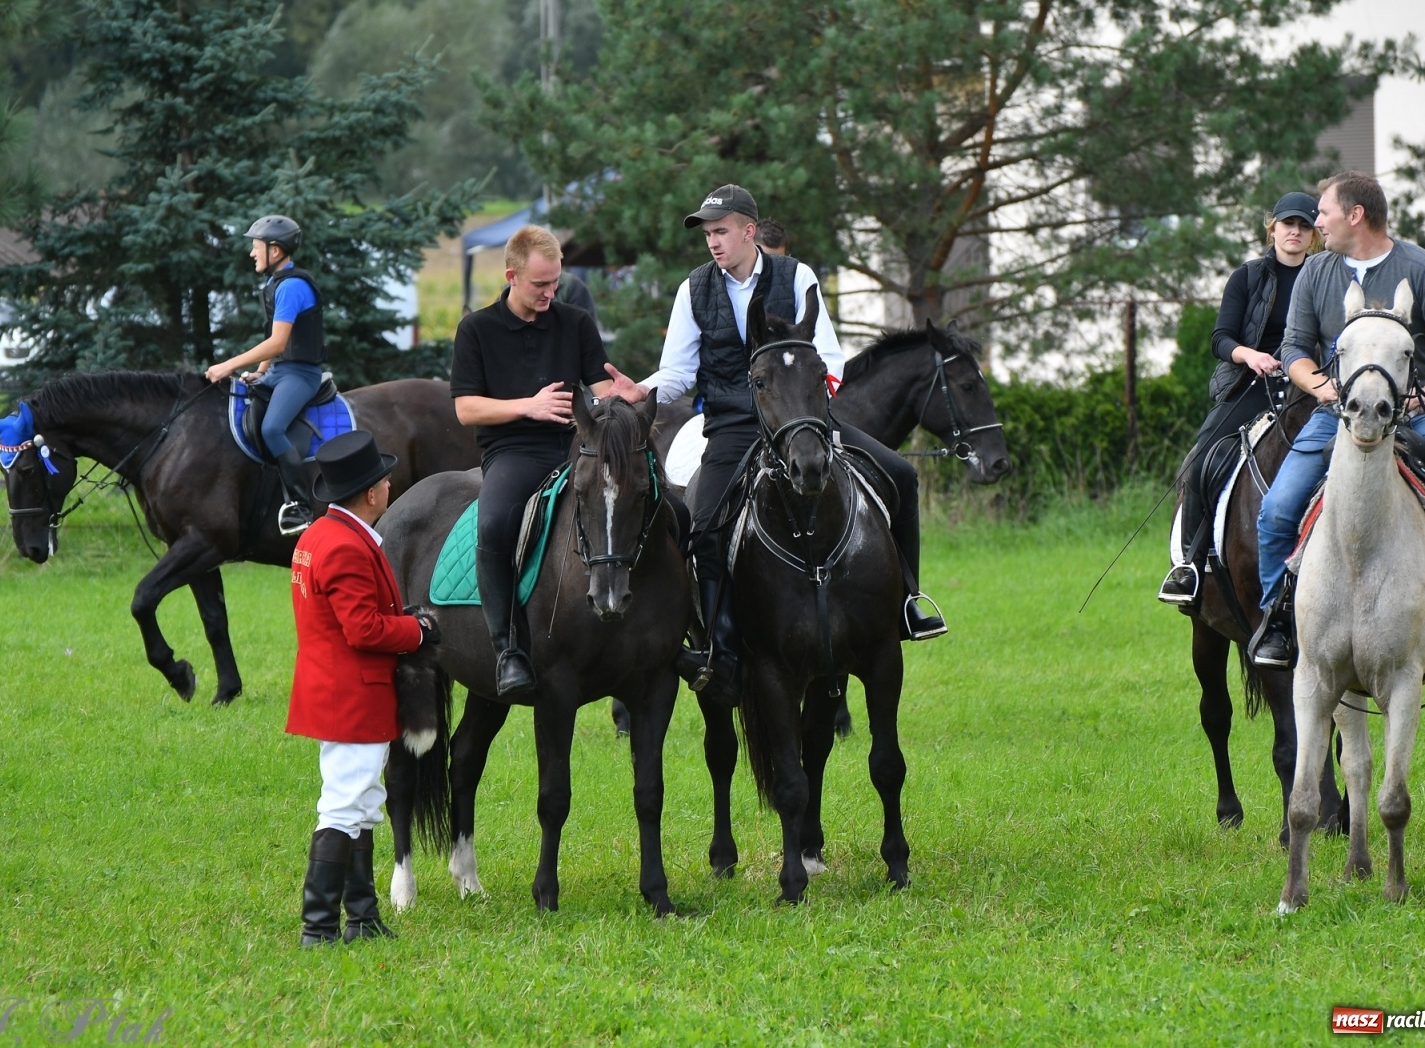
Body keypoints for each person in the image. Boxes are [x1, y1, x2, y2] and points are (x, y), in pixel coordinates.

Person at [616, 184, 946, 709]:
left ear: (749, 231)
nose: (713, 243)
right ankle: (718, 649)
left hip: (802, 422)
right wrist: (644, 389)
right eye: (707, 234)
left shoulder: (799, 277)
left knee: (901, 477)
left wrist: (810, 413)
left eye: (721, 231)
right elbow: (679, 370)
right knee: (703, 528)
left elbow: (830, 357)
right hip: (730, 426)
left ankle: (906, 604)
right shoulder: (693, 290)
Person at [1249, 170, 1425, 668]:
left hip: (1417, 416)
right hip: (1334, 415)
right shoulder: (1317, 272)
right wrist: (1325, 388)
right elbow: (1295, 348)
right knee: (1276, 510)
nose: (1316, 222)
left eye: (1323, 212)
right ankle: (1278, 620)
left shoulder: (1421, 267)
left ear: (1355, 215)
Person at [449, 225, 640, 697]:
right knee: (493, 524)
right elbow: (465, 408)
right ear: (512, 275)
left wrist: (628, 395)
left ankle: (686, 634)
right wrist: (526, 406)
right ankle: (508, 648)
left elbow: (602, 389)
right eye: (540, 285)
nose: (550, 293)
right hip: (513, 452)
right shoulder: (477, 328)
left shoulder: (574, 322)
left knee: (667, 507)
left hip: (578, 449)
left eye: (555, 283)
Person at [286, 430, 438, 946]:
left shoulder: (317, 536)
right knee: (345, 803)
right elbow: (364, 629)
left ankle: (362, 915)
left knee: (363, 798)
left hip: (333, 687)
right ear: (371, 493)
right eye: (384, 479)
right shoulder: (347, 546)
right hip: (352, 692)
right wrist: (418, 630)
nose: (391, 484)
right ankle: (319, 926)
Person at [1158, 191, 1321, 604]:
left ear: (1314, 233)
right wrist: (1249, 355)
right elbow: (1220, 338)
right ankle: (1190, 566)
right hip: (1254, 385)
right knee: (1202, 458)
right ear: (1273, 228)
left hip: (1313, 389)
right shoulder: (1247, 277)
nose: (1295, 232)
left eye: (1304, 226)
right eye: (1288, 224)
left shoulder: (1324, 276)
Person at [207, 215, 325, 536]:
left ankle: (302, 508)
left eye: (256, 246)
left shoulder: (292, 287)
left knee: (272, 428)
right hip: (278, 372)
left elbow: (277, 342)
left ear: (276, 250)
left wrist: (229, 365)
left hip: (300, 375)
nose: (252, 253)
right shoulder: (276, 284)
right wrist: (258, 373)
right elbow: (274, 344)